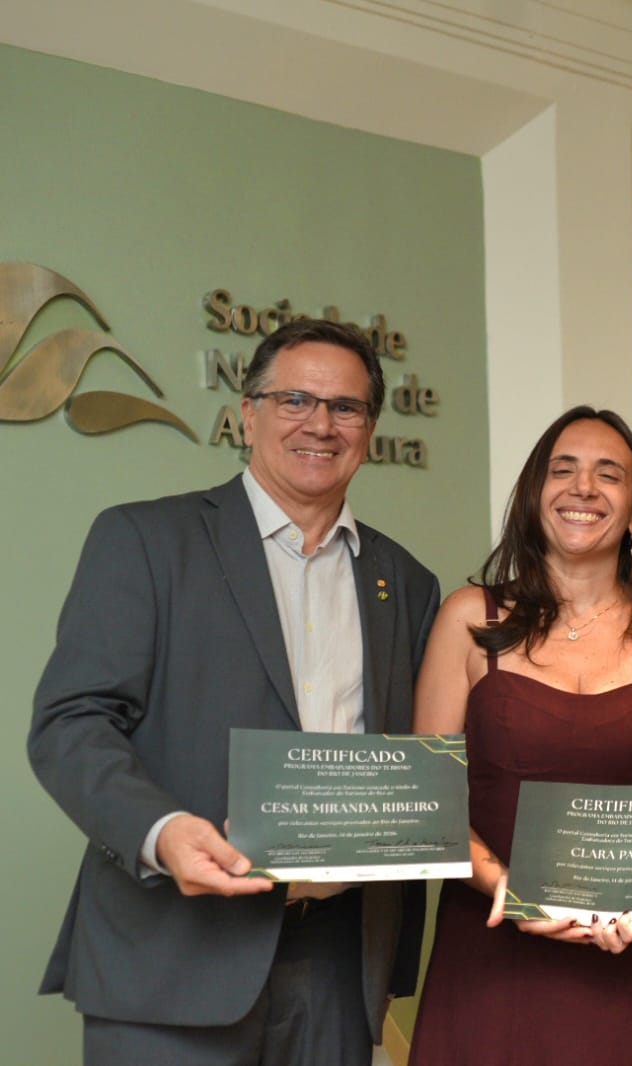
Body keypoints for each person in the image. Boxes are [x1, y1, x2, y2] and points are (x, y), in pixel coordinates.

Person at [30, 319, 440, 1065]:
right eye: (295, 400)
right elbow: (71, 722)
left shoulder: (406, 583)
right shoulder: (147, 540)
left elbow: (416, 758)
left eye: (345, 407)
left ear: (370, 431)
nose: (320, 423)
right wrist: (160, 833)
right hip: (171, 955)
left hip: (336, 965)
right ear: (248, 414)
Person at [407, 406, 632, 1066]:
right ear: (534, 496)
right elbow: (425, 802)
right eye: (563, 470)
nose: (583, 487)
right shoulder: (469, 619)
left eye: (608, 474)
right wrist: (506, 890)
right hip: (495, 951)